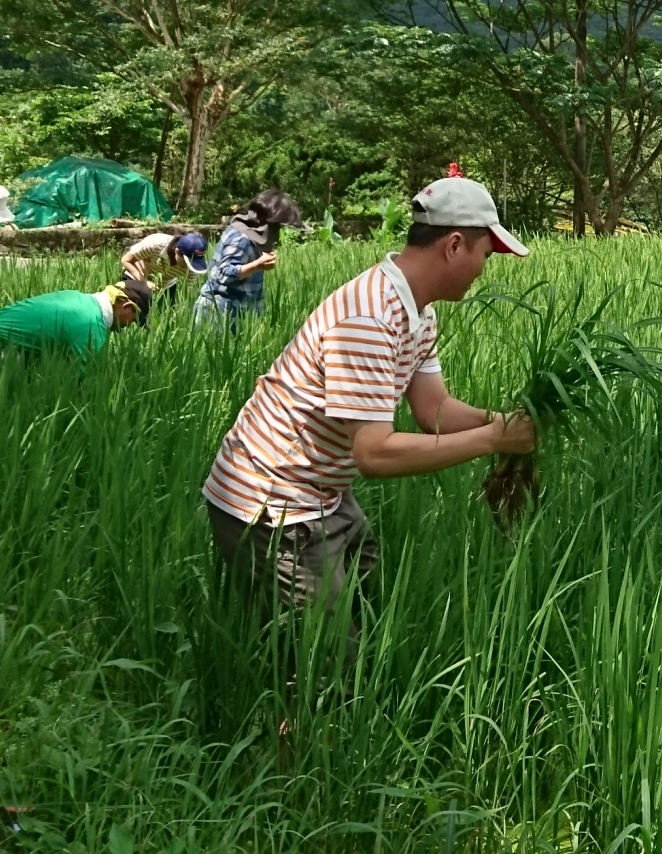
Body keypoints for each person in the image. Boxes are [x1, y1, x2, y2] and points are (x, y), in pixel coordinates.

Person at [201, 176, 537, 611]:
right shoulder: (370, 317)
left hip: (323, 491)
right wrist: (494, 440)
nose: (484, 268)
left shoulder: (418, 310)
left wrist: (501, 422)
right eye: (486, 255)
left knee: (368, 603)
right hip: (271, 501)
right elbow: (375, 454)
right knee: (329, 664)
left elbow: (434, 409)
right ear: (455, 245)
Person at [0, 278, 152, 362]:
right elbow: (78, 385)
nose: (127, 327)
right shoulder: (92, 329)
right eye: (133, 320)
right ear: (126, 307)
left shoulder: (76, 297)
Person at [195, 189, 304, 329]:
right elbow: (224, 274)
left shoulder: (250, 235)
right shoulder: (242, 238)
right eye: (277, 226)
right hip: (217, 312)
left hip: (235, 312)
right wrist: (258, 265)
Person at [122, 229, 209, 283]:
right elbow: (126, 260)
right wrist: (144, 282)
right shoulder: (155, 243)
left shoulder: (194, 266)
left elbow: (189, 292)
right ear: (177, 251)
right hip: (136, 275)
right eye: (187, 262)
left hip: (165, 284)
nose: (189, 266)